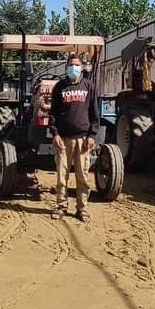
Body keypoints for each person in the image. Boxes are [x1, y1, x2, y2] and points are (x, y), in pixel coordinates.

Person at [49, 54, 100, 223]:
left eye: (77, 65)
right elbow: (53, 114)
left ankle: (82, 208)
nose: (74, 68)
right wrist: (55, 133)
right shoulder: (59, 87)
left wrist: (92, 135)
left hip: (83, 140)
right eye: (71, 65)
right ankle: (61, 206)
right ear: (66, 67)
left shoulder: (89, 86)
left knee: (82, 176)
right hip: (63, 140)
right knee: (61, 176)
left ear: (82, 67)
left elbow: (94, 113)